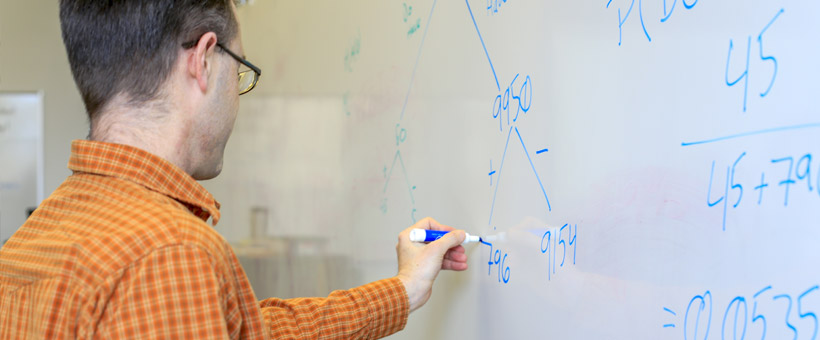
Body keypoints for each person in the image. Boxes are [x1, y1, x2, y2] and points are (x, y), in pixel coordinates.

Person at [0, 0, 468, 338]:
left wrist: (403, 291)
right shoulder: (169, 254)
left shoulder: (32, 240)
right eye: (240, 70)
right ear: (204, 61)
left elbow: (247, 330)